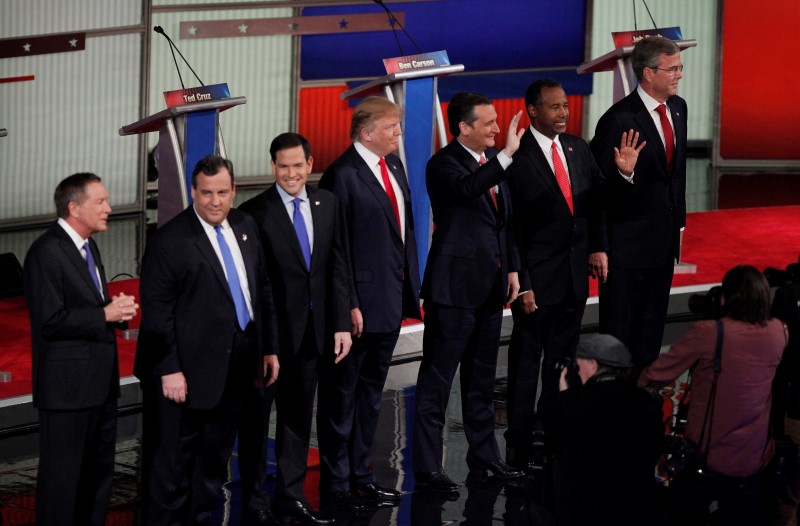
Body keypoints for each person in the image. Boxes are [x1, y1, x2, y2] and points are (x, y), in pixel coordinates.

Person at [135, 155, 279, 525]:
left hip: (238, 366)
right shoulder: (170, 240)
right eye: (206, 193)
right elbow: (157, 313)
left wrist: (268, 348)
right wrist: (170, 369)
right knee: (173, 467)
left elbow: (260, 290)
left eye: (221, 192)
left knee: (213, 462)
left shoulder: (246, 225)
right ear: (193, 193)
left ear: (233, 191)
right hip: (185, 373)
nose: (214, 201)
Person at [412, 92, 525, 492]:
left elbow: (504, 222)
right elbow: (466, 191)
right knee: (437, 381)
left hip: (492, 287)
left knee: (480, 381)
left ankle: (485, 457)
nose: (497, 128)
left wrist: (512, 269)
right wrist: (506, 156)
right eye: (489, 122)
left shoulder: (493, 165)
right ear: (464, 128)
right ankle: (427, 466)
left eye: (497, 122)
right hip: (453, 291)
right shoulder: (443, 165)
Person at [238, 132, 352, 526]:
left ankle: (290, 496)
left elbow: (337, 266)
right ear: (273, 167)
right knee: (256, 423)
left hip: (312, 334)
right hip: (268, 340)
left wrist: (339, 323)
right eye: (282, 166)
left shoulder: (327, 203)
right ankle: (253, 502)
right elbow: (252, 283)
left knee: (297, 420)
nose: (290, 174)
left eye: (297, 165)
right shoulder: (253, 212)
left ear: (309, 163)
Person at [317, 97, 421, 507]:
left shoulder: (393, 165)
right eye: (392, 126)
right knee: (342, 397)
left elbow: (402, 232)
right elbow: (335, 249)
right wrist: (349, 305)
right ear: (366, 132)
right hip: (358, 308)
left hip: (390, 300)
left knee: (371, 395)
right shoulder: (341, 176)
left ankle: (362, 474)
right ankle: (337, 483)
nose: (399, 132)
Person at [24, 173, 138, 526]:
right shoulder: (46, 252)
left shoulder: (88, 246)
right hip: (67, 391)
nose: (109, 208)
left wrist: (113, 312)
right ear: (74, 207)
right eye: (100, 202)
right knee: (63, 483)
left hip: (99, 386)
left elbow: (88, 306)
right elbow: (50, 320)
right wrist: (103, 313)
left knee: (97, 478)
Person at [504, 78, 607, 467]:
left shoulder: (578, 148)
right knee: (528, 359)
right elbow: (511, 227)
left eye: (565, 106)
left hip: (572, 276)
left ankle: (551, 431)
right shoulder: (515, 156)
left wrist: (623, 175)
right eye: (554, 107)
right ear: (533, 111)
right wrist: (523, 282)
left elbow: (597, 202)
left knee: (561, 361)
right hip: (535, 281)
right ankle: (518, 438)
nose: (563, 113)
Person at [639, 265, 788, 525]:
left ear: (724, 298)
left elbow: (652, 377)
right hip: (756, 460)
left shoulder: (709, 332)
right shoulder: (779, 331)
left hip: (710, 460)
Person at [590, 35, 687, 372]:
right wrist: (598, 245)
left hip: (662, 247)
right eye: (672, 69)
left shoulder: (678, 108)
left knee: (650, 338)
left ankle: (641, 408)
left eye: (680, 68)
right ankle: (610, 411)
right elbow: (597, 189)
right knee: (618, 340)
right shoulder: (618, 120)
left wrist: (680, 225)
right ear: (648, 73)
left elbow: (676, 174)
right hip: (625, 250)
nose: (679, 75)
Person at [554, 334, 664, 526]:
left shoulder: (574, 403)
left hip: (587, 511)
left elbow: (555, 441)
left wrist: (565, 394)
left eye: (578, 364)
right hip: (637, 509)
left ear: (593, 364)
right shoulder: (647, 401)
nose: (576, 370)